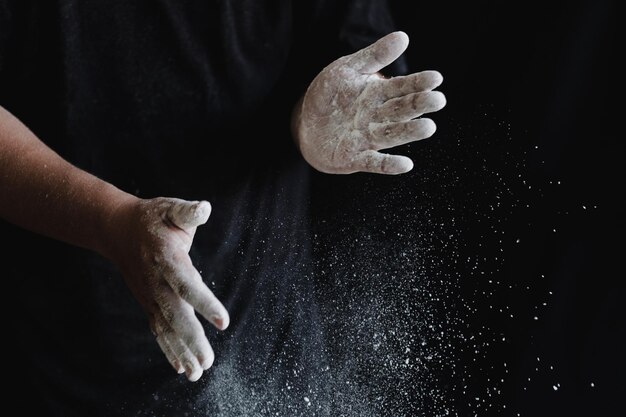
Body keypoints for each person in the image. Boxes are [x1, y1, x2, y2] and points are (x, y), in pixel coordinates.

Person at [0, 1, 445, 415]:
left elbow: (358, 62)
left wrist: (310, 123)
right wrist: (109, 221)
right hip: (63, 364)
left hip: (270, 352)